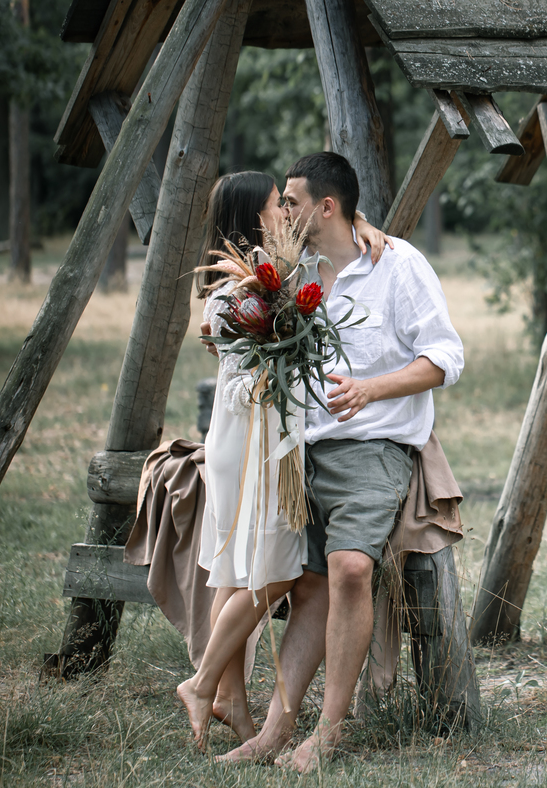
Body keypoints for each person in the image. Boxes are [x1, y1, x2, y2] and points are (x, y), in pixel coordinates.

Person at [216, 152, 463, 771]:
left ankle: (330, 731)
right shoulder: (286, 269)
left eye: (292, 200)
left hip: (372, 445)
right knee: (310, 584)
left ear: (326, 207)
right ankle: (276, 729)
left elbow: (446, 357)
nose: (283, 210)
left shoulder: (397, 264)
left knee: (350, 567)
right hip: (297, 450)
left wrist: (370, 388)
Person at [176, 171, 393, 751]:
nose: (289, 213)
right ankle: (201, 685)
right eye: (280, 205)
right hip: (255, 446)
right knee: (274, 571)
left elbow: (330, 231)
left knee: (237, 570)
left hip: (244, 439)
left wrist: (358, 221)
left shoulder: (261, 276)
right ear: (258, 218)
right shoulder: (250, 289)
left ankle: (234, 707)